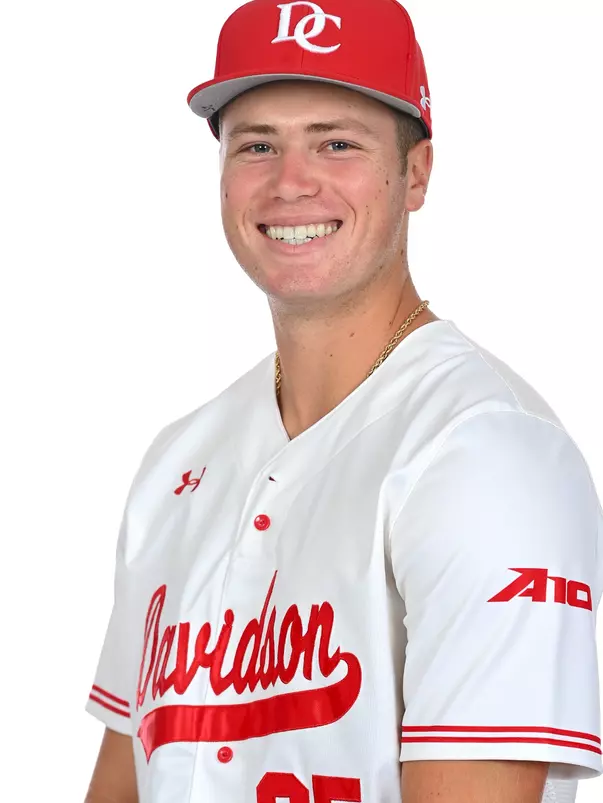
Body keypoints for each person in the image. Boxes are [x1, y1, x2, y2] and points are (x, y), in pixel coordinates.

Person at [83, 1, 603, 802]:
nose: (291, 182)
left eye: (336, 142)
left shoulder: (486, 452)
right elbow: (121, 780)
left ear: (416, 173)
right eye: (257, 144)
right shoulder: (176, 460)